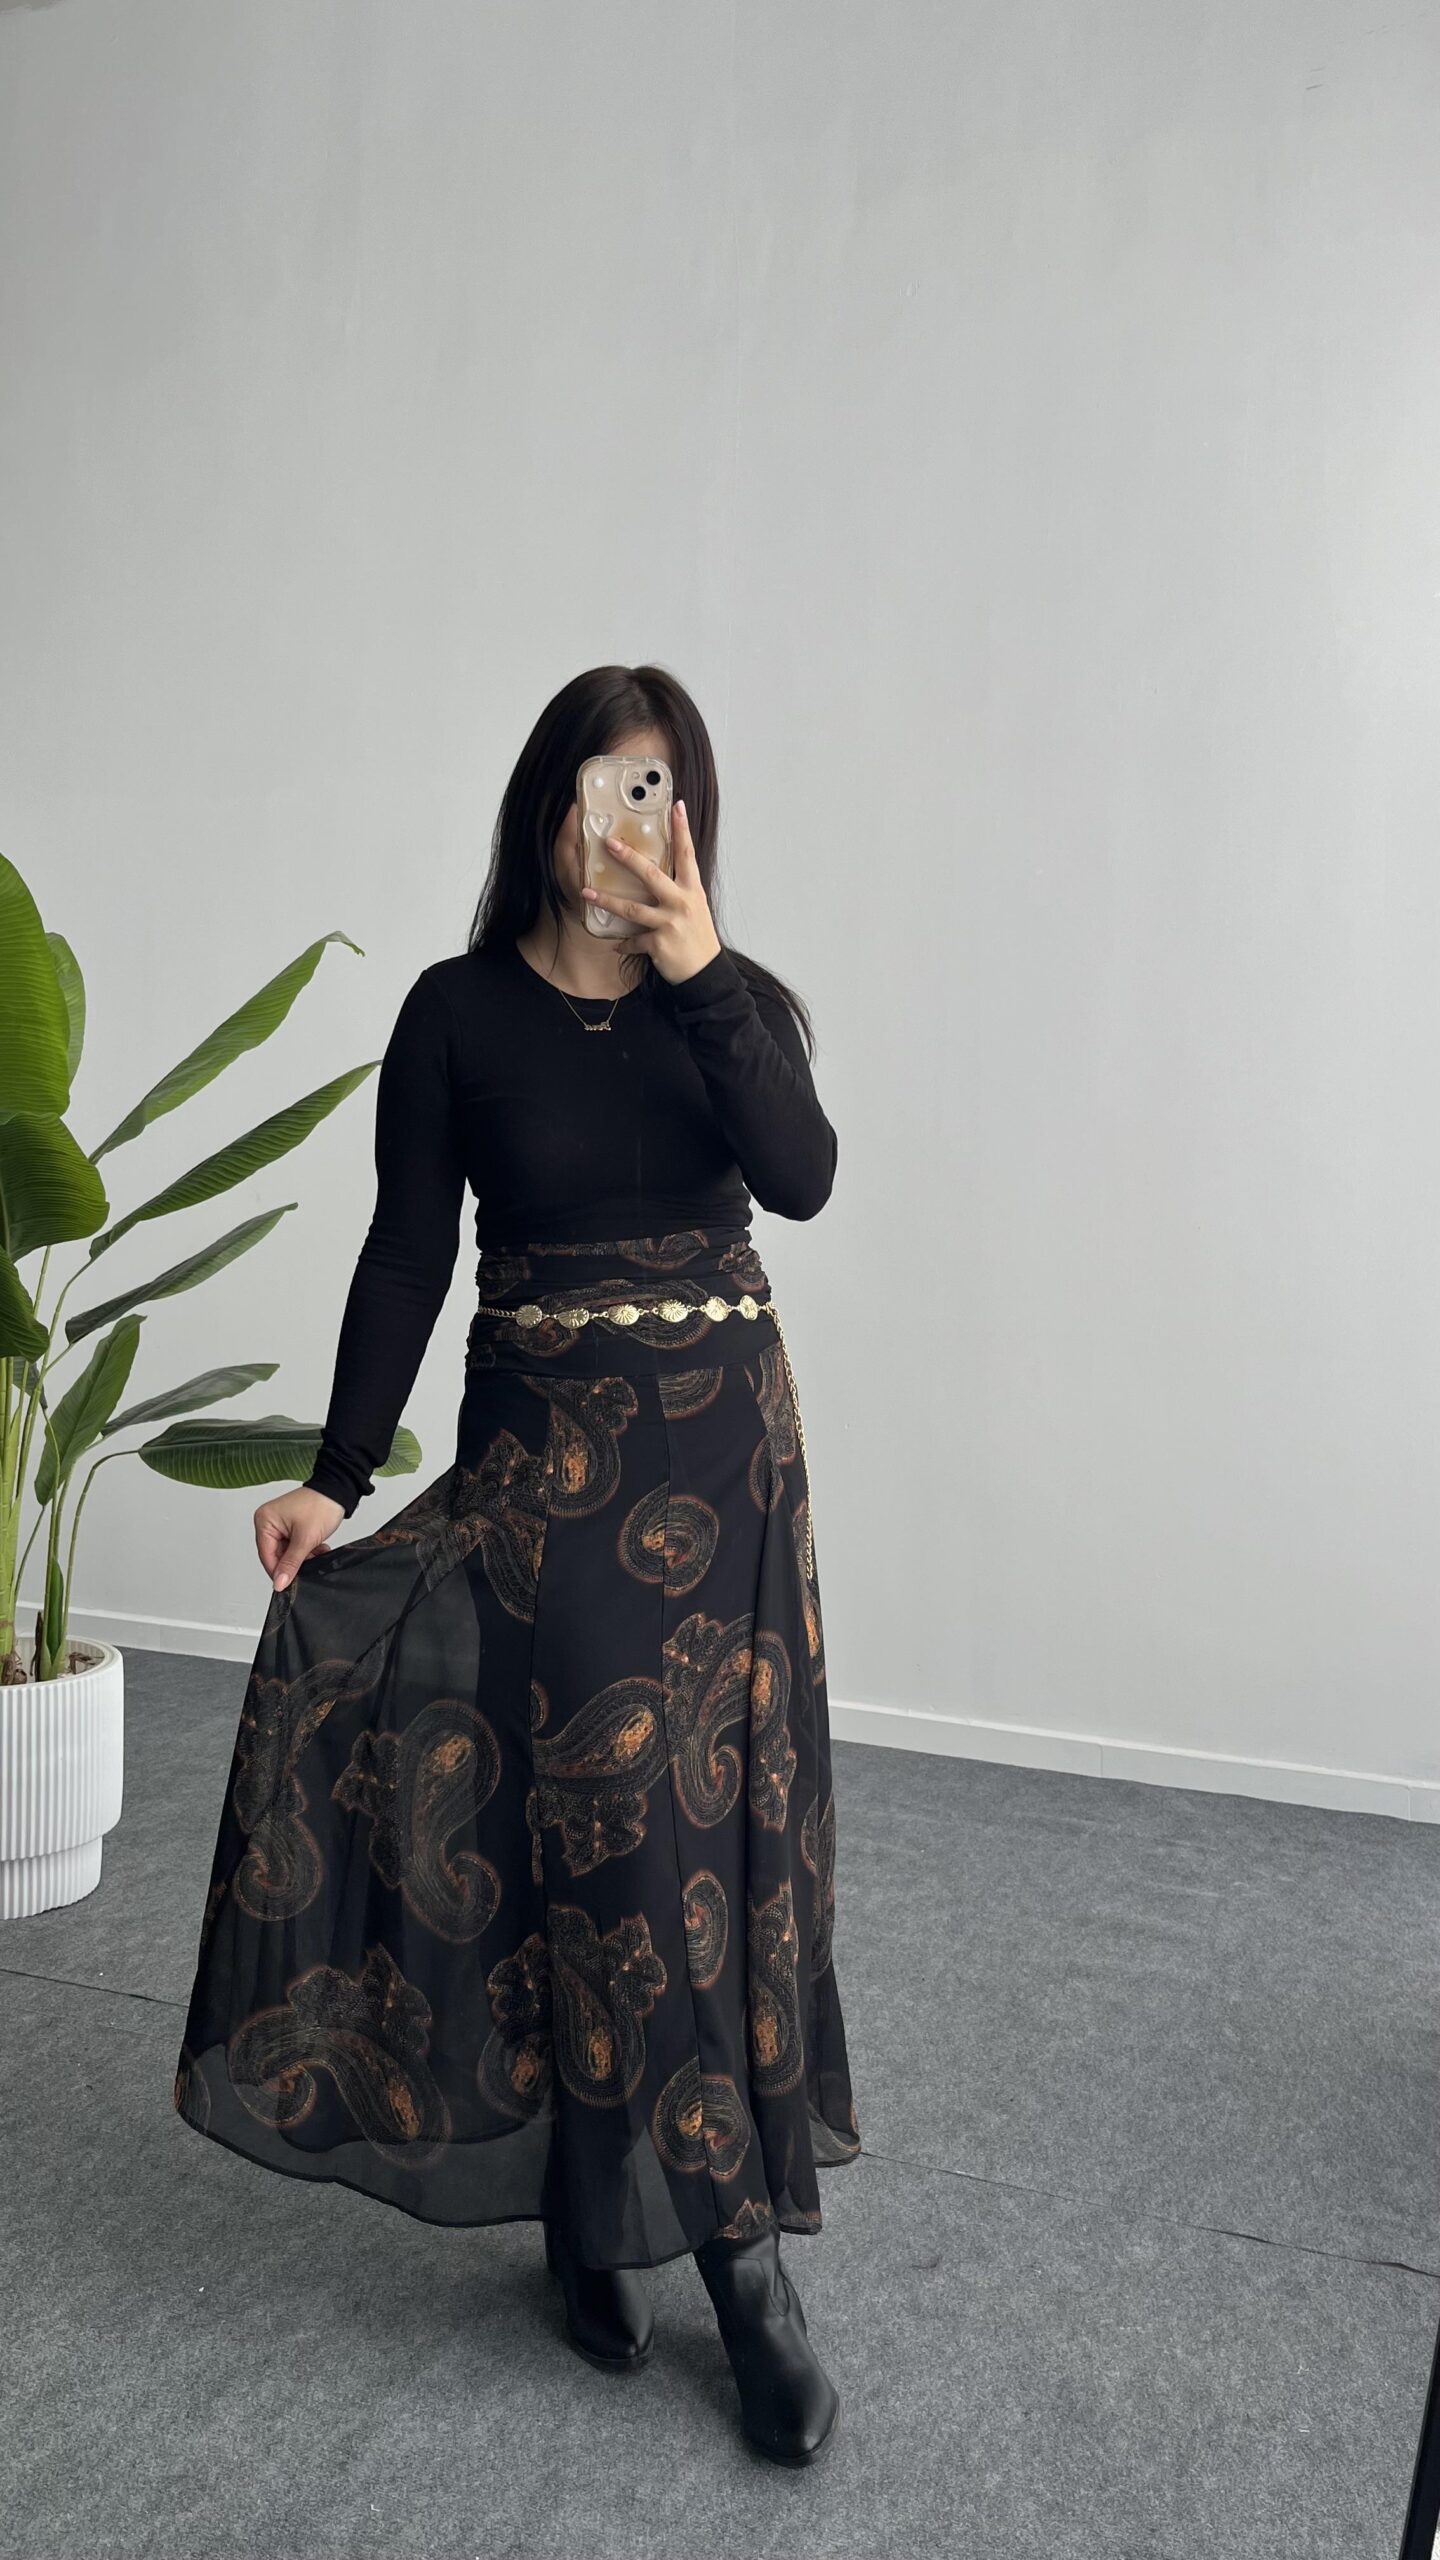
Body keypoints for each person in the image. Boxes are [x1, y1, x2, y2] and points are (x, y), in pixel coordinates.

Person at [173, 662, 861, 2466]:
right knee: (607, 1843)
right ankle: (702, 2251)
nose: (615, 823)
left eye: (653, 790)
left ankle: (643, 2229)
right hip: (547, 1476)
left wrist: (701, 970)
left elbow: (802, 1178)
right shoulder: (456, 1013)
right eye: (592, 785)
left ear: (687, 817)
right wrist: (335, 1473)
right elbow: (408, 1251)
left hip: (729, 1470)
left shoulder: (737, 1005)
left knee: (703, 1849)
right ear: (543, 804)